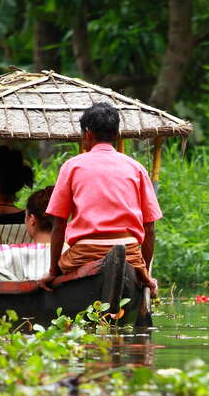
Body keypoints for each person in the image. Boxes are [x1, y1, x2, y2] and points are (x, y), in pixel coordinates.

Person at [39, 102, 160, 292]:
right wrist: (145, 271)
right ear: (116, 134)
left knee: (63, 271)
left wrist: (53, 271)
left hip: (85, 253)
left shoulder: (72, 166)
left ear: (87, 134)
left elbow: (59, 224)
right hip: (130, 253)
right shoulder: (136, 168)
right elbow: (150, 228)